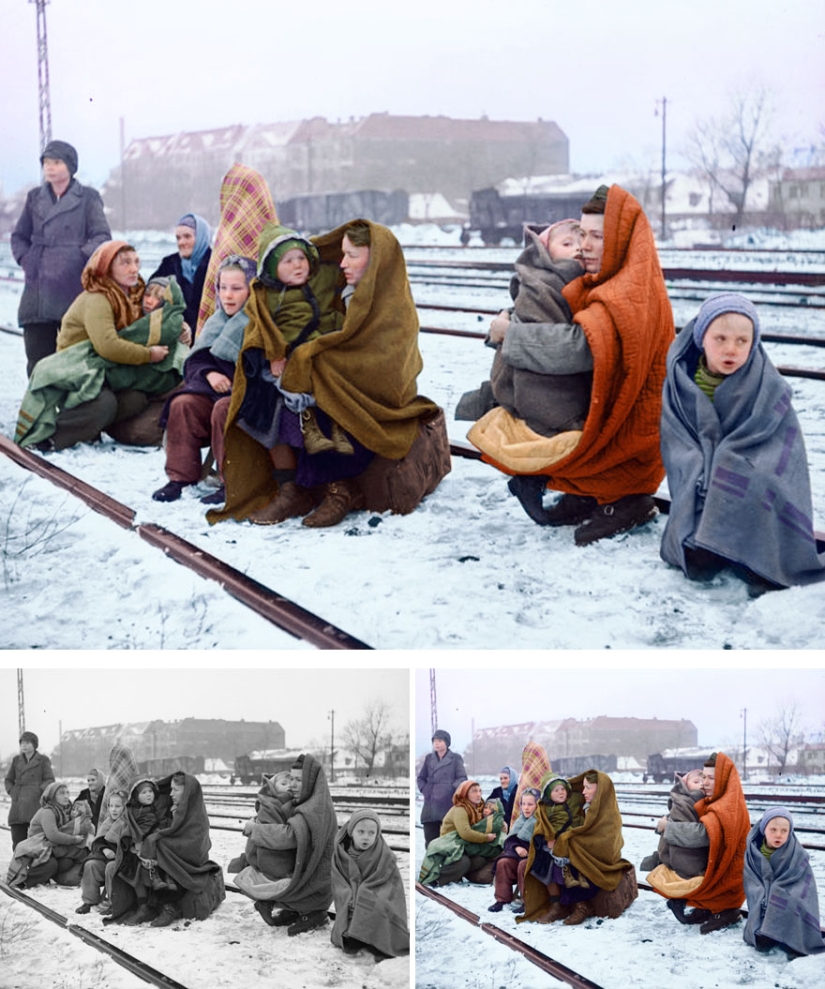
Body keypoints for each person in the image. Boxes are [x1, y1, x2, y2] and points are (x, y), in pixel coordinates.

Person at [467, 184, 674, 545]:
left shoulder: (625, 291)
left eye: (596, 236)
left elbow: (580, 347)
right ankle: (591, 492)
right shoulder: (613, 278)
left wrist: (509, 335)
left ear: (622, 239)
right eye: (581, 234)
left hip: (632, 428)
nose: (585, 245)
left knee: (543, 426)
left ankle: (625, 500)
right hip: (610, 409)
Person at [210, 219, 449, 530]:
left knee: (320, 406)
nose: (342, 262)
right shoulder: (344, 291)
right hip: (330, 386)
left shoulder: (392, 306)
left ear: (375, 259)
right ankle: (294, 488)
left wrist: (314, 359)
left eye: (352, 255)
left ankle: (337, 490)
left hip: (376, 402)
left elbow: (383, 366)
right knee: (270, 401)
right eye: (343, 254)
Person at [660, 292, 825, 591]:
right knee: (698, 475)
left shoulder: (766, 385)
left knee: (753, 477)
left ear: (753, 343)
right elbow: (676, 437)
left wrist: (728, 458)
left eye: (741, 341)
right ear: (701, 339)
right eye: (720, 339)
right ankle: (706, 542)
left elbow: (780, 442)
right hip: (700, 463)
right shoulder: (683, 383)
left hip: (753, 459)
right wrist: (701, 460)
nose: (731, 350)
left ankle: (757, 555)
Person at [14, 241, 187, 451]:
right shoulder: (98, 298)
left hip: (105, 370)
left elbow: (152, 319)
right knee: (105, 405)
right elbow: (108, 346)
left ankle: (91, 427)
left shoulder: (131, 295)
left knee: (136, 399)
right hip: (79, 370)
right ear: (106, 267)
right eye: (125, 263)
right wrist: (148, 355)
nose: (134, 268)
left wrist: (182, 326)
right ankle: (53, 438)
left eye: (136, 262)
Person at [456, 219, 587, 452]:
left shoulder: (583, 282)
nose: (577, 248)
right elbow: (533, 316)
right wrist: (505, 327)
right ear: (543, 253)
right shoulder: (540, 286)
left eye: (581, 242)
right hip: (541, 393)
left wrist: (506, 330)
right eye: (567, 243)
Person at [152, 254, 257, 503]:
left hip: (249, 397)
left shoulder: (257, 324)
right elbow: (195, 361)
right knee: (184, 404)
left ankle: (231, 482)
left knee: (223, 409)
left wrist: (235, 384)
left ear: (251, 290)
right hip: (212, 391)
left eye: (236, 288)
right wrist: (209, 373)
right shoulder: (215, 322)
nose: (228, 295)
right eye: (222, 288)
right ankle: (180, 476)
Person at [11, 139, 111, 375]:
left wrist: (75, 259)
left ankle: (70, 412)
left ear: (70, 166)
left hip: (71, 288)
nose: (49, 167)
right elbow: (19, 236)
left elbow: (101, 236)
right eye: (46, 162)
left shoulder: (88, 197)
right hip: (37, 291)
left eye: (56, 162)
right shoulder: (35, 197)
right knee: (38, 362)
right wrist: (28, 260)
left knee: (73, 360)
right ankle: (39, 411)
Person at [233, 754, 336, 937]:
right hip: (311, 869)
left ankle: (313, 913)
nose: (293, 785)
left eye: (298, 780)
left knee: (272, 877)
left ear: (311, 782)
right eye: (291, 779)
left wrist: (256, 830)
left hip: (317, 877)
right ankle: (296, 909)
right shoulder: (310, 801)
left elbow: (290, 835)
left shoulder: (313, 808)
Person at [105, 772, 225, 928]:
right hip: (165, 853)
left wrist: (155, 844)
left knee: (158, 857)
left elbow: (192, 844)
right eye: (171, 789)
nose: (171, 793)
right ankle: (146, 906)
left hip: (189, 861)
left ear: (187, 791)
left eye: (175, 790)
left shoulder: (196, 815)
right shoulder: (170, 807)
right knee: (137, 862)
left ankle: (169, 907)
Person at [519, 770, 637, 927]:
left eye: (588, 788)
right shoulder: (585, 806)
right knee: (551, 862)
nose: (583, 792)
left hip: (600, 860)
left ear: (600, 789)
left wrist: (571, 841)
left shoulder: (608, 813)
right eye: (583, 787)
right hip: (578, 851)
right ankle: (559, 905)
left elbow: (605, 843)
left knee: (572, 863)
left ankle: (580, 906)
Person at [652, 752, 750, 934]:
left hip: (731, 875)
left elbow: (703, 834)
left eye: (712, 778)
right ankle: (709, 906)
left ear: (724, 778)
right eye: (704, 777)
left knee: (690, 875)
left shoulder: (725, 805)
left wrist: (668, 828)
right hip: (720, 867)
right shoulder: (718, 798)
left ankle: (725, 911)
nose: (705, 782)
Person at [743, 808, 824, 958]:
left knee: (788, 899)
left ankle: (792, 938)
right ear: (763, 830)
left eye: (784, 831)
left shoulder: (796, 854)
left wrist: (777, 890)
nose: (778, 835)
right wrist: (764, 891)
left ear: (789, 832)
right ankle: (765, 931)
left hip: (789, 891)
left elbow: (802, 883)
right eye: (773, 829)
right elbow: (751, 880)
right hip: (764, 893)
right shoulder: (754, 853)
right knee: (762, 899)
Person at [330, 809, 409, 958]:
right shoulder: (341, 855)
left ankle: (376, 939)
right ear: (351, 832)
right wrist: (351, 894)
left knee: (376, 904)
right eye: (361, 832)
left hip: (376, 893)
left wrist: (365, 892)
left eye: (371, 833)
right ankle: (356, 934)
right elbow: (338, 882)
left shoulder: (384, 856)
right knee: (352, 939)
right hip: (351, 898)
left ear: (377, 834)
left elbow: (391, 884)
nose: (366, 837)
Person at [229, 771, 297, 925]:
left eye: (290, 784)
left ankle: (274, 904)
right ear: (273, 787)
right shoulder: (271, 806)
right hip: (273, 854)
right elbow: (274, 833)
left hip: (279, 851)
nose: (288, 787)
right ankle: (266, 903)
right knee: (283, 881)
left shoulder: (286, 803)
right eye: (283, 784)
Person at [418, 782, 503, 886]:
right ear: (465, 793)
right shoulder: (460, 809)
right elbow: (465, 833)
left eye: (480, 791)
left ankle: (461, 875)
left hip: (463, 846)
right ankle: (438, 879)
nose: (478, 794)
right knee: (464, 862)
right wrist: (486, 838)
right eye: (474, 791)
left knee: (479, 859)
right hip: (450, 846)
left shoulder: (477, 809)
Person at [14, 781, 89, 888]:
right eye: (62, 793)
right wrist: (73, 839)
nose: (66, 796)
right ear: (52, 796)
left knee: (66, 862)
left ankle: (51, 877)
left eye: (67, 793)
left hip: (51, 847)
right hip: (38, 848)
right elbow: (53, 835)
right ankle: (26, 880)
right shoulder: (48, 811)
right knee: (51, 865)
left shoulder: (64, 811)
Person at [149, 213, 212, 333]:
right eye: (178, 238)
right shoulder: (168, 265)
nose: (181, 242)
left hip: (207, 337)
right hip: (176, 335)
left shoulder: (215, 266)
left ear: (200, 237)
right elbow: (152, 296)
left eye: (187, 236)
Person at [641, 769, 706, 881]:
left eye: (703, 782)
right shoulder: (683, 802)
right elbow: (680, 818)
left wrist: (666, 826)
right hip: (683, 858)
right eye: (696, 782)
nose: (701, 785)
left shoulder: (703, 801)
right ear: (685, 786)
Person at [488, 787, 541, 913]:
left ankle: (528, 901)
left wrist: (527, 850)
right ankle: (502, 899)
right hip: (517, 855)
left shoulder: (540, 822)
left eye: (530, 804)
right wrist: (516, 847)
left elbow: (541, 842)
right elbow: (510, 840)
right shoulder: (520, 821)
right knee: (503, 863)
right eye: (523, 804)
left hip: (535, 857)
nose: (526, 807)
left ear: (537, 805)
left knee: (524, 865)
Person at [76, 789, 127, 914]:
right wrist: (105, 849)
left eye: (118, 806)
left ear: (125, 807)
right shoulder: (107, 823)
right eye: (110, 806)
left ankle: (113, 902)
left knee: (111, 867)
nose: (113, 809)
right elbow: (98, 841)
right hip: (106, 857)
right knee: (91, 865)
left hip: (123, 860)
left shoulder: (127, 823)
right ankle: (89, 900)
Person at [417, 729, 468, 847]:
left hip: (447, 804)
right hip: (430, 806)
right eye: (434, 741)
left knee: (447, 841)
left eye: (439, 740)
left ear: (446, 742)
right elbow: (421, 778)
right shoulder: (429, 758)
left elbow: (462, 778)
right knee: (430, 842)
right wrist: (426, 790)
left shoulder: (455, 758)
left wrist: (449, 789)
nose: (436, 743)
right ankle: (430, 865)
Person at [5, 730, 55, 850]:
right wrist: (13, 792)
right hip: (18, 806)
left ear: (34, 744)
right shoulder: (16, 760)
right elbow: (8, 780)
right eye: (22, 743)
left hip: (35, 805)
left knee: (36, 842)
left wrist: (37, 791)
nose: (24, 745)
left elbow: (49, 780)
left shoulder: (43, 760)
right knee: (17, 842)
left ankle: (33, 868)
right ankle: (18, 868)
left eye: (27, 743)